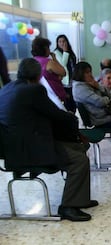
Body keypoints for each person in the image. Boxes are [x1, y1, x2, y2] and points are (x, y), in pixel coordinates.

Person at [0, 58, 97, 222]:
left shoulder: (6, 89)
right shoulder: (34, 90)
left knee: (78, 149)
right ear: (39, 76)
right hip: (31, 149)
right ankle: (68, 206)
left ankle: (79, 198)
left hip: (11, 149)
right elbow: (56, 115)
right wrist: (71, 119)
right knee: (79, 159)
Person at [31, 37, 69, 110]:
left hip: (42, 95)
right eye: (48, 47)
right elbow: (63, 72)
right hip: (54, 94)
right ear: (44, 48)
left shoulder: (33, 61)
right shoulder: (48, 62)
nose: (49, 50)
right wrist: (54, 58)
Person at [54, 34, 77, 112]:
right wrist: (65, 51)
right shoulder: (56, 53)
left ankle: (73, 116)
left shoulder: (69, 51)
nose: (62, 43)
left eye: (63, 41)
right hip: (65, 81)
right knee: (68, 102)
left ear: (67, 42)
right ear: (57, 43)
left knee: (74, 102)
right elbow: (63, 64)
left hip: (73, 79)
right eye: (59, 42)